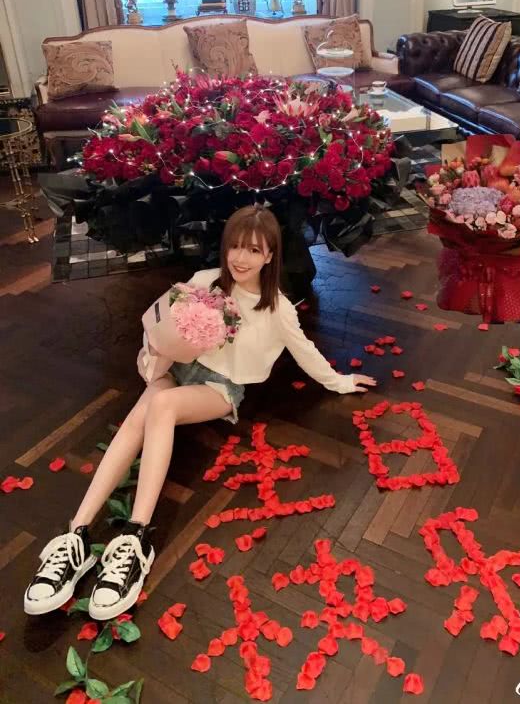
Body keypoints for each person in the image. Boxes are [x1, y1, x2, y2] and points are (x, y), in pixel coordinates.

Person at [24, 205, 376, 621]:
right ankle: (76, 534)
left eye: (253, 250)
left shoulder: (277, 308)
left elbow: (306, 353)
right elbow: (163, 325)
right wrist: (158, 350)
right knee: (143, 411)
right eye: (235, 247)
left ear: (269, 256)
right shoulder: (204, 281)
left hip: (219, 389)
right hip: (178, 370)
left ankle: (136, 536)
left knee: (161, 403)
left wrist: (340, 381)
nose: (240, 258)